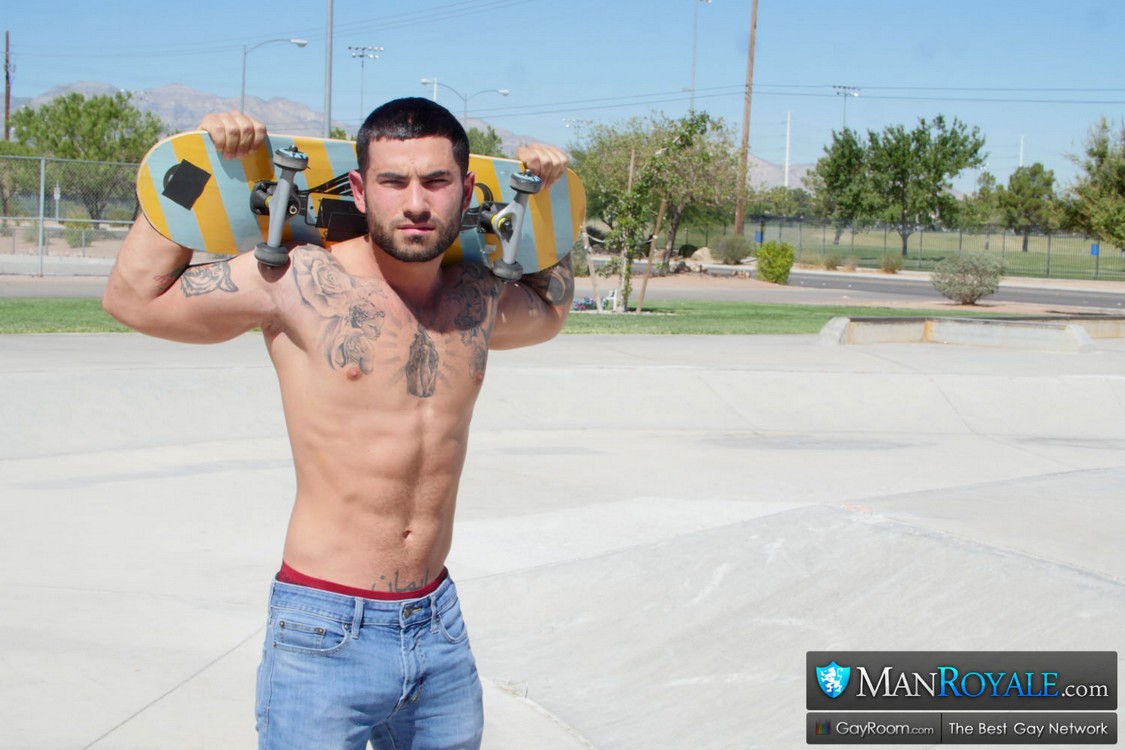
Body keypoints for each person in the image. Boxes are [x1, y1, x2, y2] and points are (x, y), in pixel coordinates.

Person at [103, 97, 574, 749]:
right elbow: (131, 299)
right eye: (393, 181)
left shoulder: (476, 297)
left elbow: (550, 311)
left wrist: (549, 201)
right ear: (358, 188)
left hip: (437, 623)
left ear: (467, 192)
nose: (416, 203)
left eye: (436, 181)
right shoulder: (294, 280)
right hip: (324, 625)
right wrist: (197, 171)